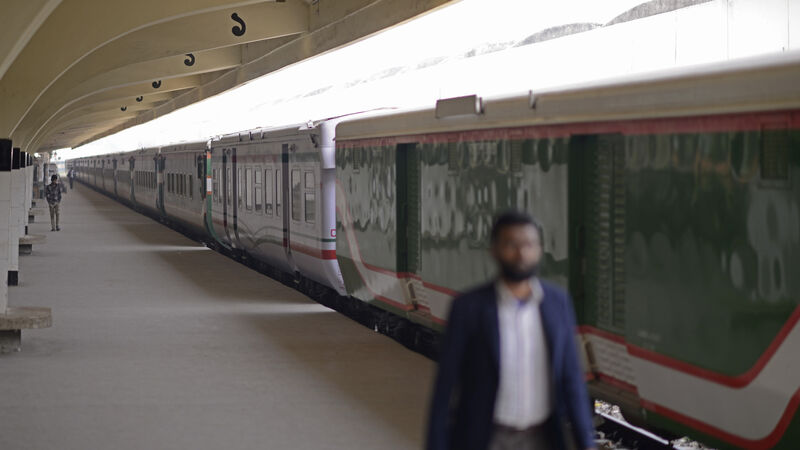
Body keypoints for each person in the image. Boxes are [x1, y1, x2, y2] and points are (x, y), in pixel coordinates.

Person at [426, 211, 597, 450]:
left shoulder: (557, 304)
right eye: (511, 245)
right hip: (487, 438)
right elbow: (446, 384)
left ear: (539, 249)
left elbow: (572, 380)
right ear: (494, 250)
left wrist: (586, 443)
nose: (521, 254)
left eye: (529, 244)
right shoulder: (469, 307)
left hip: (542, 438)